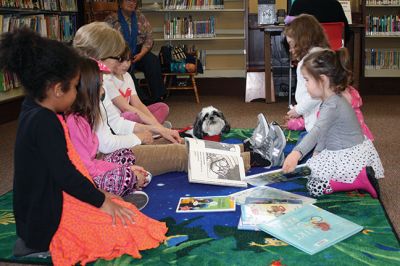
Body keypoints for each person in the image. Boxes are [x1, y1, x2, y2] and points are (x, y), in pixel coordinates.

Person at [1, 28, 167, 264]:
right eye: (74, 86)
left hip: (44, 207)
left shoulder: (34, 107)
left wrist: (102, 198)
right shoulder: (46, 122)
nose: (78, 93)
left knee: (122, 217)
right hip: (45, 222)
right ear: (58, 90)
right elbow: (67, 175)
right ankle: (34, 247)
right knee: (122, 226)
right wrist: (103, 201)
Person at [282, 48, 384, 198]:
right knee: (311, 173)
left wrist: (296, 153)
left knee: (314, 187)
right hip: (343, 151)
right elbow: (325, 131)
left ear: (322, 80)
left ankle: (359, 180)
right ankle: (356, 177)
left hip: (347, 155)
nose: (305, 85)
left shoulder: (332, 105)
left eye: (307, 80)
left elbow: (316, 131)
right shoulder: (331, 100)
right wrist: (317, 152)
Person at [73, 21, 181, 146]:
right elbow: (105, 144)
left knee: (177, 147)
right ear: (99, 57)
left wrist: (158, 129)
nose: (120, 62)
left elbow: (116, 122)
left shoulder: (97, 83)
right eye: (117, 58)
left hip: (113, 148)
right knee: (179, 152)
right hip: (107, 156)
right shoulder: (88, 88)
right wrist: (139, 138)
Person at [66, 58, 151, 209]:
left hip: (93, 168)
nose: (103, 90)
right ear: (87, 89)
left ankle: (127, 187)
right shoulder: (75, 122)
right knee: (123, 176)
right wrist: (125, 172)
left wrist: (127, 169)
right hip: (87, 180)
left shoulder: (87, 116)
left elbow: (94, 161)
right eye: (99, 86)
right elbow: (87, 169)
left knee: (125, 154)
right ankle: (123, 192)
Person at [105, 0, 167, 104]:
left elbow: (149, 38)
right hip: (120, 52)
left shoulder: (140, 17)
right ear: (120, 3)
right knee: (124, 67)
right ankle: (142, 100)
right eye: (128, 0)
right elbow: (106, 40)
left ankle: (158, 96)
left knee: (152, 60)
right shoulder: (111, 19)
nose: (132, 3)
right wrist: (123, 55)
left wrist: (142, 54)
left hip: (139, 50)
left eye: (134, 1)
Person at [284, 14, 330, 132]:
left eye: (291, 44)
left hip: (318, 120)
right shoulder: (323, 54)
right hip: (319, 114)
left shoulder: (308, 62)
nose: (290, 49)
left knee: (307, 143)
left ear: (302, 40)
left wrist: (298, 110)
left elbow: (317, 95)